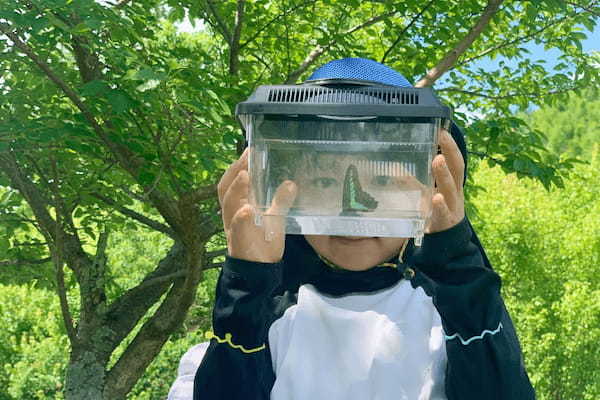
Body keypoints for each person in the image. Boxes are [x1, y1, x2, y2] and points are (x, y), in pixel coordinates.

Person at [168, 58, 536, 400]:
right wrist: (245, 288)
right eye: (326, 184)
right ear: (285, 189)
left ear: (429, 189)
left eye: (381, 181)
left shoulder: (451, 316)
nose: (354, 208)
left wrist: (458, 267)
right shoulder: (258, 322)